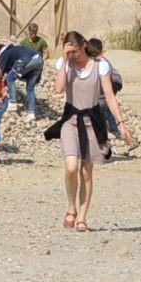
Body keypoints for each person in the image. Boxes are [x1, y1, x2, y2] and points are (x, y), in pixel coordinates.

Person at [48, 33, 124, 231]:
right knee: (71, 167)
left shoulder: (100, 66)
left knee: (86, 172)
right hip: (71, 120)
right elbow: (58, 89)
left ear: (83, 45)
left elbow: (109, 96)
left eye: (75, 51)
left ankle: (82, 217)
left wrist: (121, 123)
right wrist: (64, 60)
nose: (73, 55)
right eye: (69, 51)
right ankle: (71, 207)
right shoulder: (65, 64)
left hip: (92, 121)